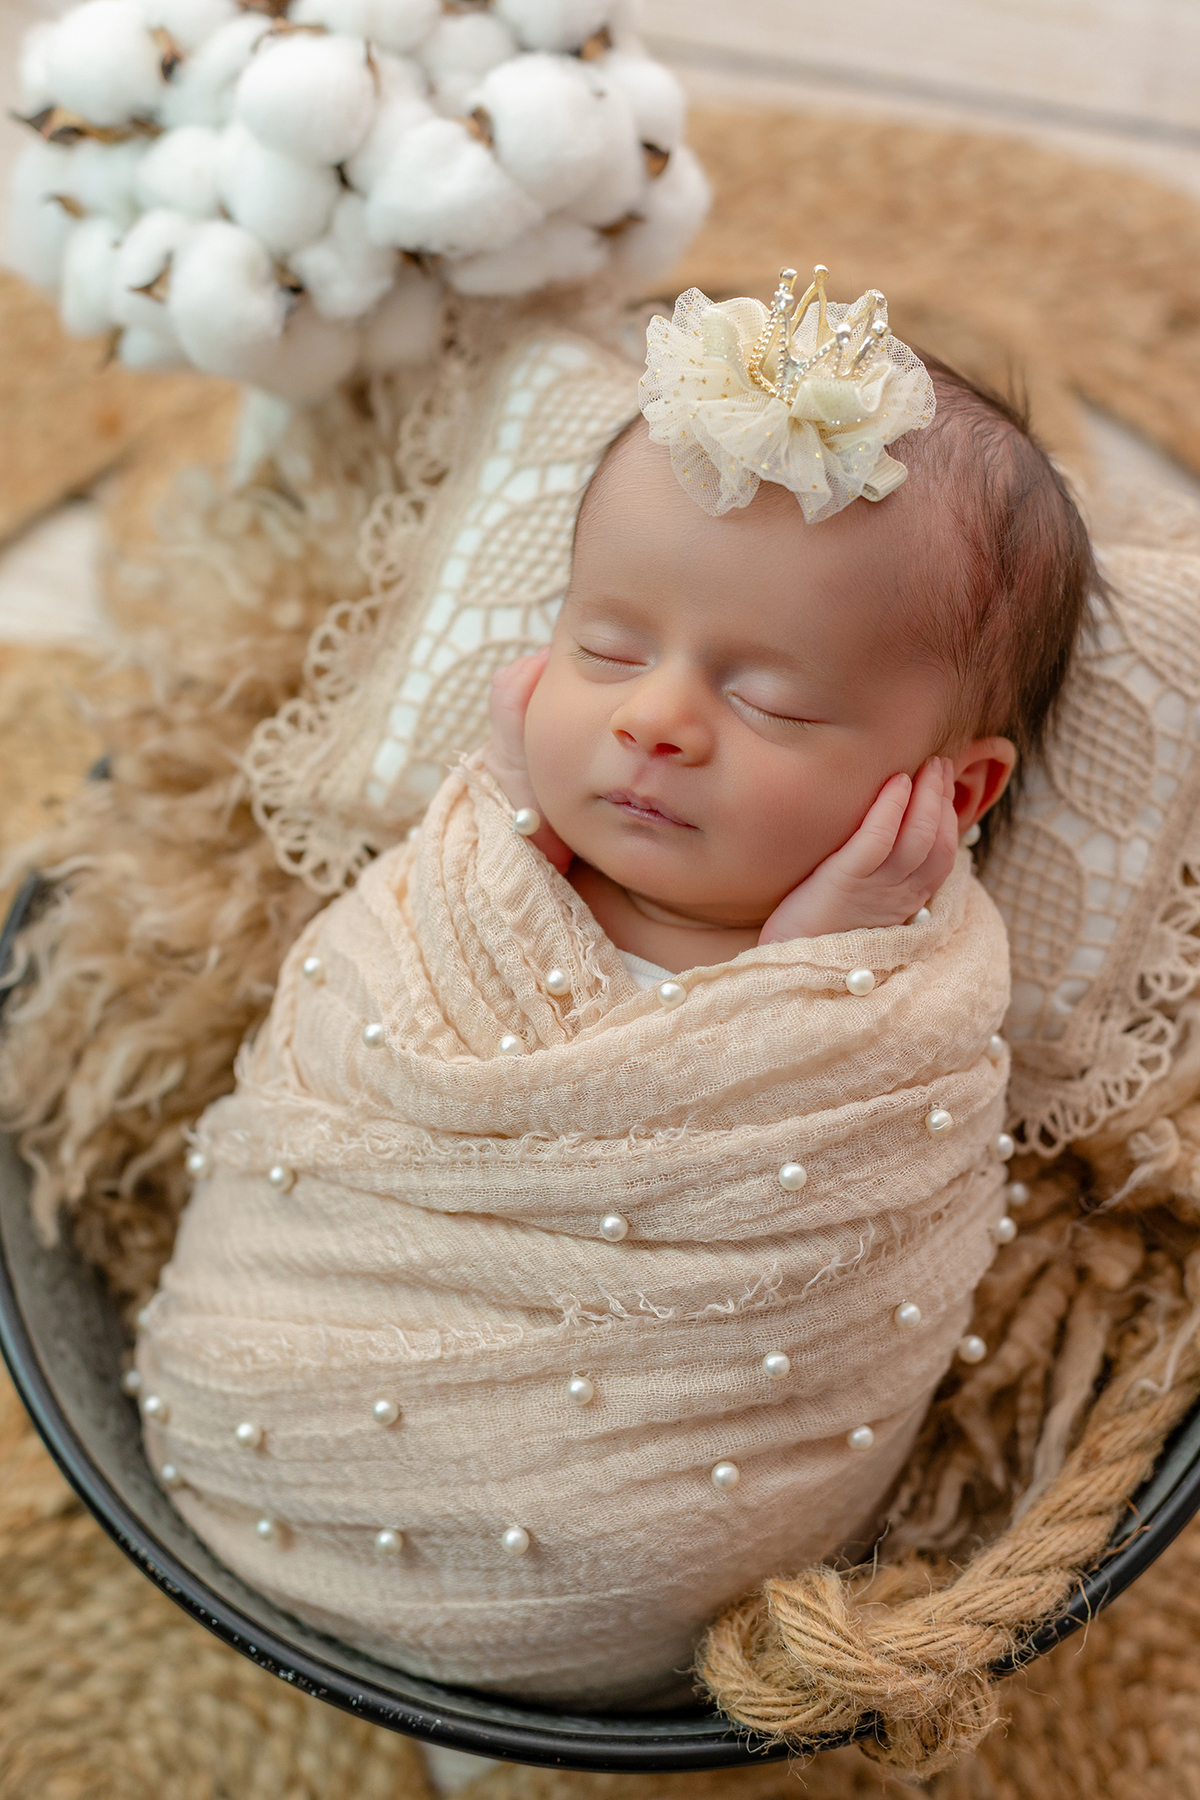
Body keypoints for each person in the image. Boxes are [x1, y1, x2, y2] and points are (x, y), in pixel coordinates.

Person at [133, 269, 1097, 1707]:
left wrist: (825, 966)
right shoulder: (473, 879)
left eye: (767, 699)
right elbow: (348, 1041)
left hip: (623, 1566)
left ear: (950, 791)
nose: (652, 719)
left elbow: (815, 1184)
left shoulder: (893, 1001)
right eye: (607, 647)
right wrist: (509, 829)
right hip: (251, 1414)